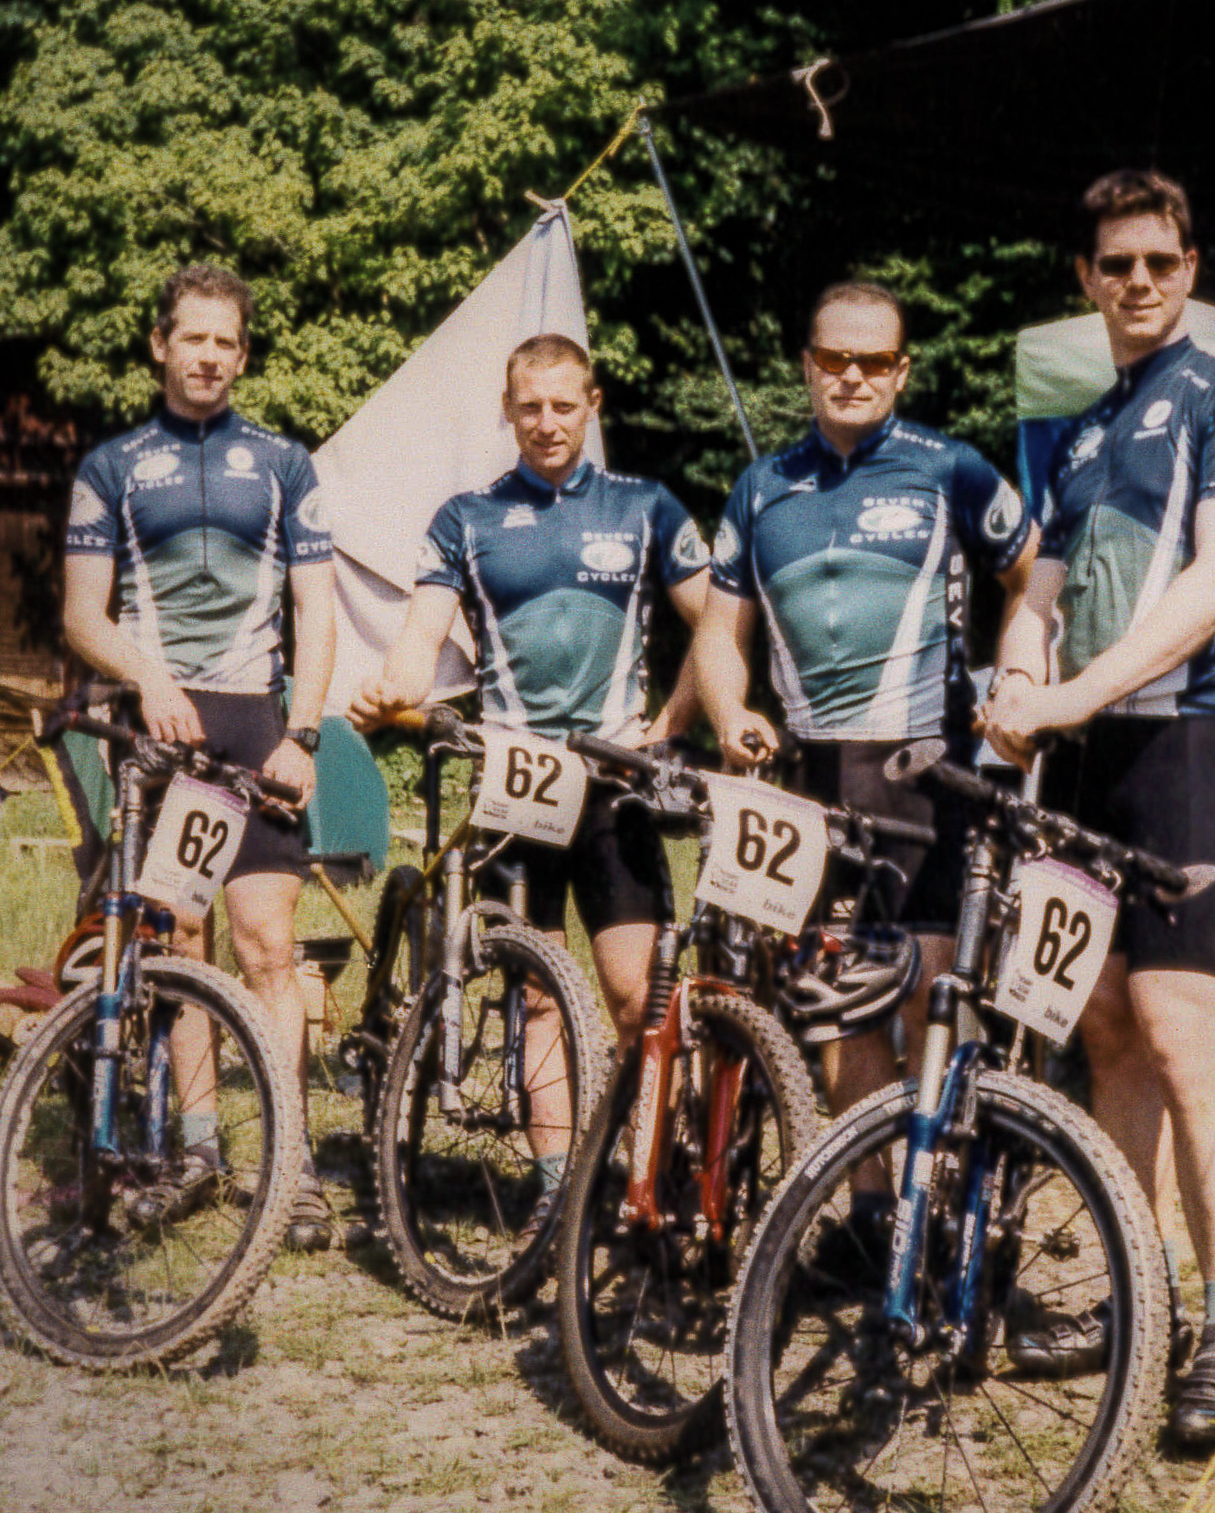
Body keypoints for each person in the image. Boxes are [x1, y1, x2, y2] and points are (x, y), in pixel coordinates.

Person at [982, 169, 1215, 1451]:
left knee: (1182, 1034)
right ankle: (1141, 1290)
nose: (1140, 282)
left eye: (1161, 260)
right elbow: (1040, 591)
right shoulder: (1087, 428)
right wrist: (1016, 674)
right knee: (1100, 1025)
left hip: (1181, 744)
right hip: (1084, 751)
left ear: (1191, 268)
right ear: (1086, 281)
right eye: (1117, 265)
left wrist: (1070, 699)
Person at [348, 333, 710, 1229]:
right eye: (530, 407)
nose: (547, 423)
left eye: (564, 405)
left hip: (615, 777)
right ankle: (554, 1188)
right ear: (506, 413)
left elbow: (720, 625)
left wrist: (672, 724)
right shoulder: (465, 517)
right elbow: (423, 630)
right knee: (536, 988)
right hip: (515, 775)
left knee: (637, 996)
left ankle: (651, 1169)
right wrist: (394, 680)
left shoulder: (646, 507)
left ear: (593, 406)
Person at [694, 280, 1038, 1157]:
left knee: (929, 998)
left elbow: (1038, 573)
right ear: (808, 366)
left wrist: (1024, 677)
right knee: (839, 997)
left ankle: (957, 1189)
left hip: (925, 771)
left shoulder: (947, 465)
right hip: (812, 776)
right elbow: (718, 633)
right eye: (835, 358)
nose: (852, 375)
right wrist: (730, 708)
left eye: (873, 360)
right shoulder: (760, 487)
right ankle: (869, 1211)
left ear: (901, 371)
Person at [63, 263, 339, 1249]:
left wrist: (302, 734)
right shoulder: (113, 465)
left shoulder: (283, 462)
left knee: (267, 945)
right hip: (162, 723)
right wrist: (147, 675)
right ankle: (197, 1146)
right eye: (194, 338)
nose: (210, 355)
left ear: (243, 353)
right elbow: (80, 615)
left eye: (226, 341)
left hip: (252, 722)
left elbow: (316, 611)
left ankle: (293, 1161)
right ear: (159, 345)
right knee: (181, 944)